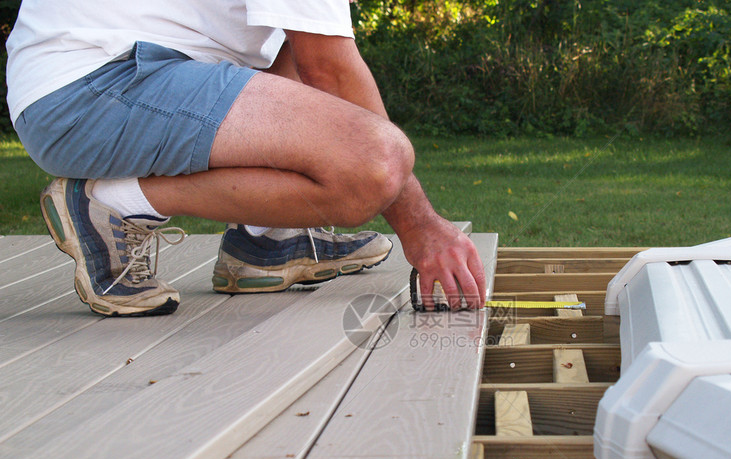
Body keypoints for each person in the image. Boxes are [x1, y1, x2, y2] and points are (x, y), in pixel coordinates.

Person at [5, 0, 486, 316]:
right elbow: (332, 72)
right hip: (89, 89)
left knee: (289, 46)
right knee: (373, 165)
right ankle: (112, 202)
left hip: (101, 74)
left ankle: (267, 241)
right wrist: (419, 225)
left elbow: (306, 57)